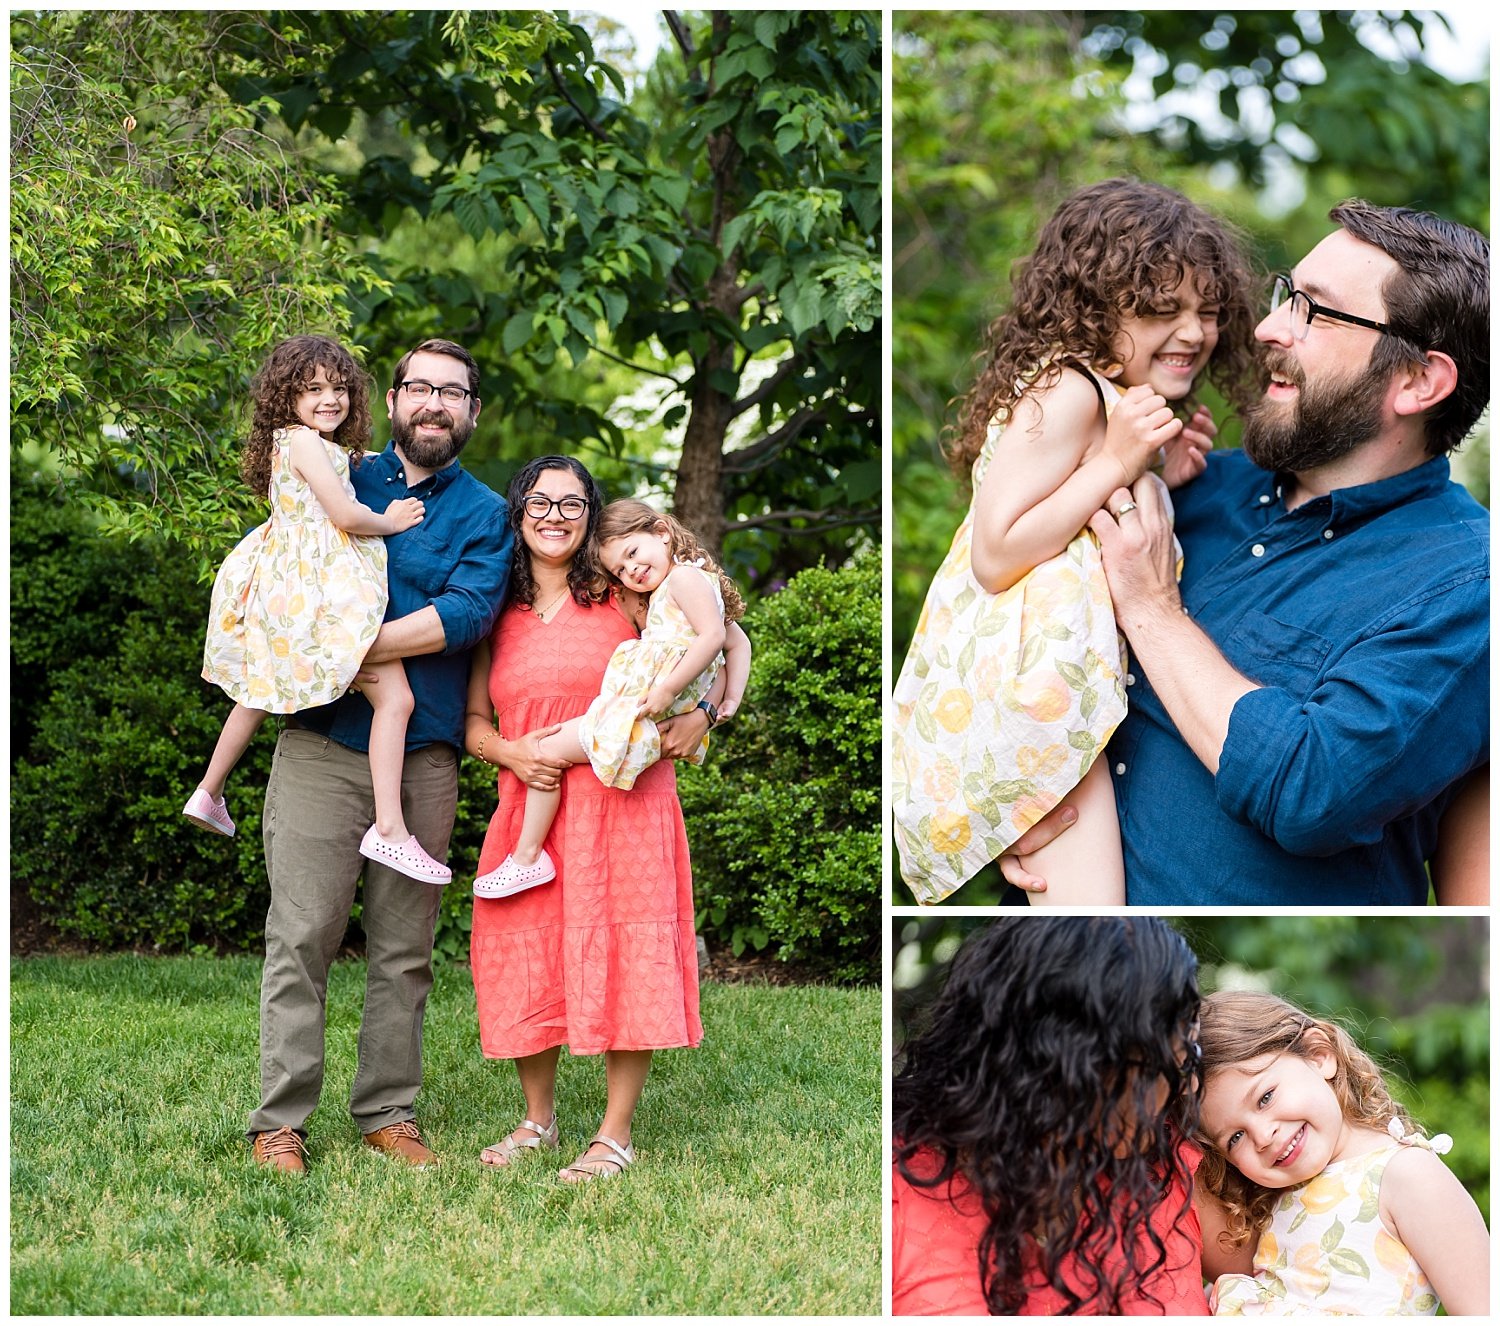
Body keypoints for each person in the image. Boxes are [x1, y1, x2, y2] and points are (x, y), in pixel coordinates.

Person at [1005, 201, 1489, 905]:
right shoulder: (1187, 488)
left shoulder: (1465, 585)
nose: (1266, 328)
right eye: (1284, 297)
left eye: (1314, 313)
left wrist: (1153, 608)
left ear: (1419, 381)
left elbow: (1312, 790)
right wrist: (1012, 803)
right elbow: (1018, 630)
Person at [890, 178, 1258, 905]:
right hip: (1034, 690)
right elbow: (997, 554)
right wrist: (1125, 462)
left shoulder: (1109, 401)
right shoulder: (1071, 390)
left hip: (1058, 686)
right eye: (1161, 310)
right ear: (1094, 307)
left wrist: (1160, 470)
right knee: (1091, 922)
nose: (1193, 332)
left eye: (1208, 312)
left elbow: (1079, 513)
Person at [245, 338, 512, 1173]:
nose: (434, 403)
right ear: (392, 399)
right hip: (322, 745)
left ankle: (388, 1113)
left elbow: (466, 614)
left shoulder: (487, 514)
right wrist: (324, 659)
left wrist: (349, 646)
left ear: (472, 412)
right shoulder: (337, 472)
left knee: (403, 948)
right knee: (303, 933)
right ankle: (280, 1121)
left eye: (453, 393)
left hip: (423, 754)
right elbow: (281, 573)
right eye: (420, 388)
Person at [465, 457, 710, 1182]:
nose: (554, 515)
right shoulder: (493, 612)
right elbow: (474, 724)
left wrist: (707, 713)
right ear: (518, 513)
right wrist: (511, 753)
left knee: (625, 949)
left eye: (572, 504)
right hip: (529, 801)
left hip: (623, 804)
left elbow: (718, 631)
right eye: (539, 502)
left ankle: (614, 1134)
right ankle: (537, 1120)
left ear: (590, 516)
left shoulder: (622, 597)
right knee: (524, 949)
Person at [186, 334, 448, 884]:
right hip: (315, 595)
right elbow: (345, 515)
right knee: (396, 698)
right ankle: (391, 830)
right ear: (288, 398)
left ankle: (209, 789)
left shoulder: (308, 445)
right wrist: (391, 520)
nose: (329, 398)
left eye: (338, 388)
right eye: (312, 390)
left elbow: (343, 473)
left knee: (259, 691)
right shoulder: (304, 444)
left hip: (293, 590)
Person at [892, 916, 1209, 1314]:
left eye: (1192, 1057)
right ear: (1077, 1069)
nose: (1190, 1088)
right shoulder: (896, 1193)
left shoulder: (1167, 1169)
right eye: (1171, 1068)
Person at [474, 498, 750, 896]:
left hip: (640, 711)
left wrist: (677, 693)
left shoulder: (685, 581)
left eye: (634, 553)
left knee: (547, 748)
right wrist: (728, 702)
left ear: (662, 532)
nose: (632, 570)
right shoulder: (681, 587)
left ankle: (528, 856)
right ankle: (528, 856)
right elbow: (738, 646)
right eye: (620, 568)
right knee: (551, 750)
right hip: (648, 712)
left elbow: (715, 639)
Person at [1195, 990, 1489, 1315]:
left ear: (1319, 1055)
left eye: (1265, 1098)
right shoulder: (1270, 1202)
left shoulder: (1406, 1174)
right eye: (1236, 1137)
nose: (1263, 1136)